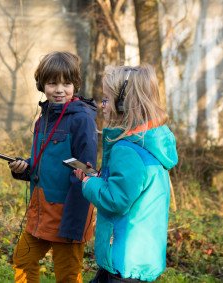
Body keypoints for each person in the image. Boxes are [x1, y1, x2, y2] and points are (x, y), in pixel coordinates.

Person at [74, 64, 178, 282]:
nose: (101, 105)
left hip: (124, 260)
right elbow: (127, 188)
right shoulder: (149, 142)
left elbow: (116, 200)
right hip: (138, 257)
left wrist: (88, 183)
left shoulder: (128, 150)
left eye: (106, 99)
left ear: (123, 104)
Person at [8, 51, 98, 283]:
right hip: (40, 211)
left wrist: (74, 223)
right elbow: (43, 163)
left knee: (67, 276)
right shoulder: (43, 119)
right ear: (42, 85)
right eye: (52, 83)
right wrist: (24, 167)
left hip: (68, 213)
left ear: (75, 84)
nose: (59, 90)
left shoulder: (82, 119)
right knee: (23, 260)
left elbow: (86, 172)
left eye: (66, 83)